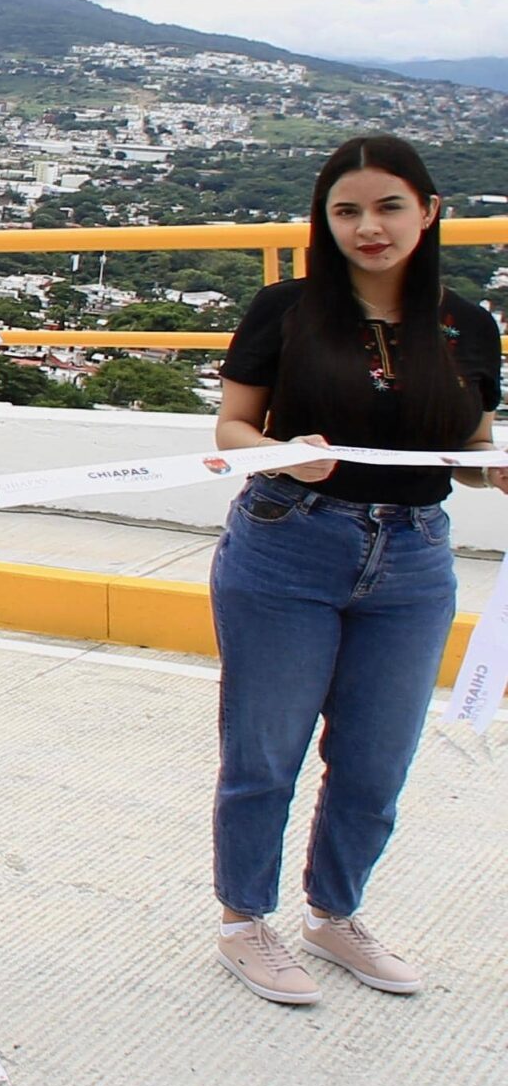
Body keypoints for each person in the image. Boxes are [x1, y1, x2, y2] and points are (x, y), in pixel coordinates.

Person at [208, 135, 505, 1005]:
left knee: (378, 757)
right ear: (323, 220)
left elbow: (470, 446)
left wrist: (493, 466)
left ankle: (335, 914)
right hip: (289, 540)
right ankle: (243, 919)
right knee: (265, 750)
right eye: (347, 211)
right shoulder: (286, 309)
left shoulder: (467, 323)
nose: (368, 227)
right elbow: (231, 430)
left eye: (387, 207)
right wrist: (281, 454)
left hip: (413, 552)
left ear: (429, 211)